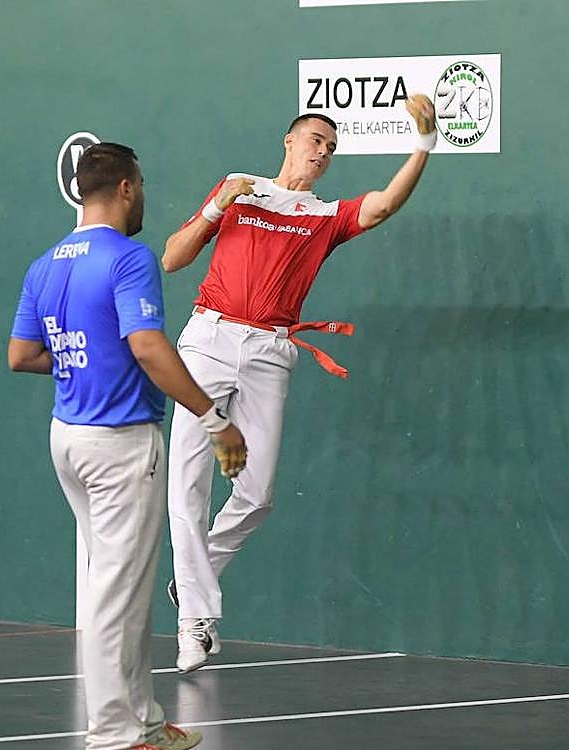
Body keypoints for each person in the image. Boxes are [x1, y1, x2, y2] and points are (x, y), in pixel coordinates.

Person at [162, 96, 437, 672]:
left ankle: (193, 579)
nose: (324, 153)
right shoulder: (239, 191)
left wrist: (424, 144)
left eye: (332, 148)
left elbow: (383, 206)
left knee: (257, 494)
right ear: (288, 141)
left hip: (269, 351)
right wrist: (216, 207)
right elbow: (172, 259)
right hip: (207, 340)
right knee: (187, 486)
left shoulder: (324, 216)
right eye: (316, 140)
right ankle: (194, 621)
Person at [8, 142, 247, 750]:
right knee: (116, 594)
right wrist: (213, 417)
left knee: (122, 586)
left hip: (70, 437)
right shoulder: (129, 258)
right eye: (140, 184)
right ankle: (112, 743)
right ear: (124, 188)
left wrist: (86, 362)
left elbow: (22, 354)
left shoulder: (45, 264)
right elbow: (147, 345)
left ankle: (141, 718)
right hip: (118, 443)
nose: (142, 193)